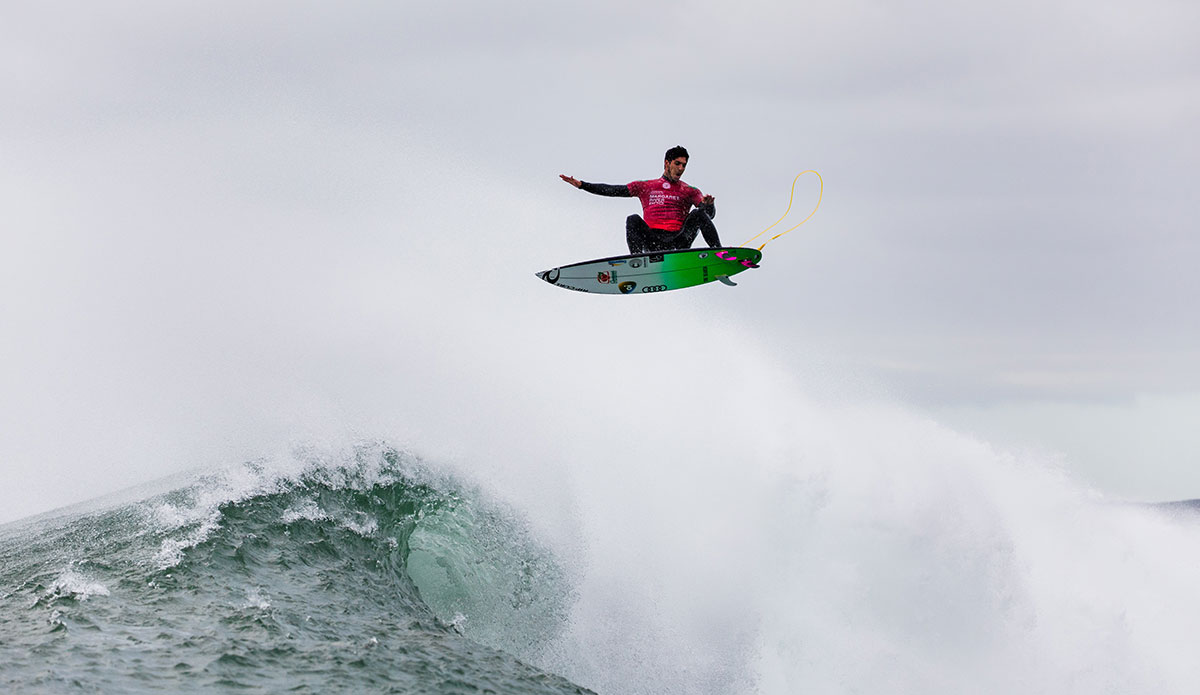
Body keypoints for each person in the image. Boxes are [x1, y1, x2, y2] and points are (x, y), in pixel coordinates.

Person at [560, 145, 722, 254]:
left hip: (679, 241)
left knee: (698, 214)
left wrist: (709, 206)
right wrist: (582, 185)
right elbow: (613, 190)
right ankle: (636, 260)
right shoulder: (645, 186)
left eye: (684, 165)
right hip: (653, 241)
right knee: (633, 219)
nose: (681, 169)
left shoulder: (690, 191)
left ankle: (719, 254)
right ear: (667, 163)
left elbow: (708, 216)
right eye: (677, 164)